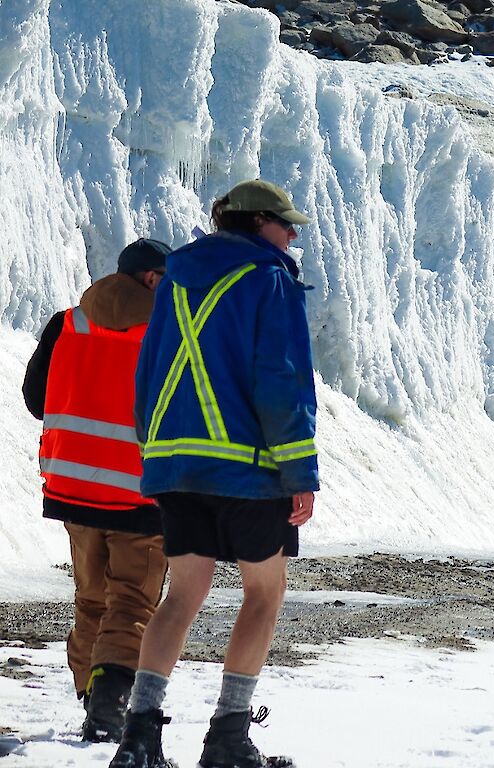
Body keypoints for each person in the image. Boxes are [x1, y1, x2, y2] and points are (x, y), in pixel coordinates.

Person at [110, 180, 319, 768]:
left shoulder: (175, 281)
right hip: (248, 470)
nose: (293, 234)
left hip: (176, 466)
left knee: (183, 594)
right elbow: (281, 382)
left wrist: (157, 459)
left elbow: (147, 375)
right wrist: (299, 469)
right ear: (257, 225)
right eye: (285, 224)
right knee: (264, 592)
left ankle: (139, 737)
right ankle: (228, 736)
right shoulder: (269, 279)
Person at [20, 239, 173, 743]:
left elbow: (34, 399)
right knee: (131, 603)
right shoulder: (167, 333)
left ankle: (91, 692)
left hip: (71, 487)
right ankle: (108, 709)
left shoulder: (67, 323)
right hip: (140, 494)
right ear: (152, 279)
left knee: (91, 599)